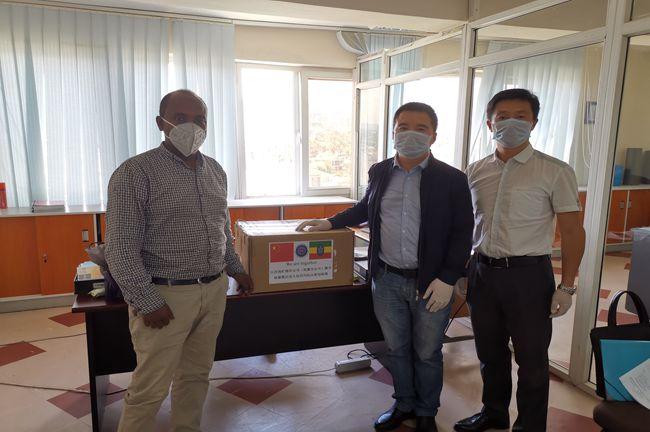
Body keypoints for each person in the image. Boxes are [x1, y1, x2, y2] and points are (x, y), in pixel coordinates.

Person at [297, 102, 474, 432]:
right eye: (403, 127)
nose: (411, 133)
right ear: (393, 133)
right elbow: (365, 208)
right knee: (396, 348)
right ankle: (403, 404)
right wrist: (330, 222)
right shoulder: (380, 171)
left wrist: (449, 277)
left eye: (421, 128)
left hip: (432, 283)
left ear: (433, 136)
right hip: (387, 279)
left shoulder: (452, 178)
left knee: (427, 352)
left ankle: (426, 411)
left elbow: (463, 231)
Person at [106, 89, 253, 432]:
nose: (192, 126)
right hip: (166, 297)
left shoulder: (215, 170)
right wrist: (147, 301)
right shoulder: (135, 172)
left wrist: (236, 268)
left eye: (199, 119)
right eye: (181, 118)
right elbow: (121, 247)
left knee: (196, 376)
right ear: (161, 123)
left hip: (213, 290)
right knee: (150, 389)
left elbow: (221, 228)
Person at [454, 88, 585, 432]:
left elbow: (573, 231)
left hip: (529, 276)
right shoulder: (474, 171)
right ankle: (493, 413)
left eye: (521, 116)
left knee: (532, 359)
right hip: (482, 271)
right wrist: (462, 270)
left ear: (534, 123)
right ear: (489, 123)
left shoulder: (554, 171)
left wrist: (567, 287)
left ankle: (530, 426)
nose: (511, 123)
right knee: (489, 353)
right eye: (502, 117)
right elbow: (466, 224)